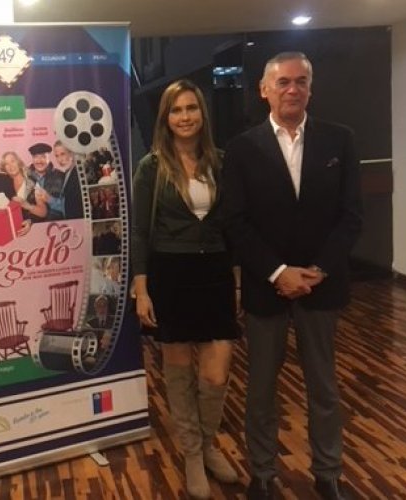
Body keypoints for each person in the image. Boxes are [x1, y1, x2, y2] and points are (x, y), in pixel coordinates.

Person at [221, 52, 362, 500]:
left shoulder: (340, 140)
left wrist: (317, 271)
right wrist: (278, 272)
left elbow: (351, 217)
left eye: (301, 81)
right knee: (261, 389)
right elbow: (235, 221)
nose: (292, 89)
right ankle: (263, 474)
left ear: (310, 88)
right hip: (267, 288)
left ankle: (328, 473)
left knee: (324, 387)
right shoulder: (241, 149)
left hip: (321, 286)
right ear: (264, 90)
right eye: (282, 82)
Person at [131, 79, 240, 499]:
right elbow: (140, 233)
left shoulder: (222, 162)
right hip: (170, 273)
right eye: (176, 110)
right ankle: (193, 455)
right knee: (178, 372)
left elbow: (233, 226)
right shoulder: (152, 167)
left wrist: (237, 281)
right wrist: (142, 289)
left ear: (202, 114)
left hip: (215, 272)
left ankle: (208, 443)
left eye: (191, 108)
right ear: (166, 117)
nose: (185, 116)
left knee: (216, 372)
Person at [0, 151, 48, 222]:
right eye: (6, 164)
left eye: (13, 161)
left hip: (34, 224)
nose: (10, 166)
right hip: (15, 224)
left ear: (18, 162)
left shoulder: (33, 181)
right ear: (4, 168)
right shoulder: (4, 184)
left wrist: (26, 205)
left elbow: (43, 212)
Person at [27, 142, 65, 220]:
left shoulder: (61, 176)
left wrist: (49, 199)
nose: (39, 161)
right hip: (32, 224)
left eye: (43, 157)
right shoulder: (26, 177)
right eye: (35, 157)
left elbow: (69, 208)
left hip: (55, 223)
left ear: (49, 158)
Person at [53, 140, 84, 219]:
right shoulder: (66, 173)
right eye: (57, 156)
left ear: (71, 153)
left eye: (62, 154)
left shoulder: (78, 173)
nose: (60, 159)